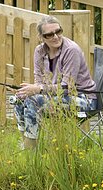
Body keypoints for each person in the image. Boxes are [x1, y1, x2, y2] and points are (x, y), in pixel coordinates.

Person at [11, 15, 97, 149]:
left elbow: (67, 87)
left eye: (58, 31)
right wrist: (29, 91)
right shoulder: (39, 51)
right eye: (49, 35)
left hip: (83, 98)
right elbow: (39, 80)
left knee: (33, 101)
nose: (55, 37)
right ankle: (26, 144)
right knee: (19, 99)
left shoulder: (71, 50)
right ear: (41, 37)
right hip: (56, 96)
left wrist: (38, 90)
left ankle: (30, 148)